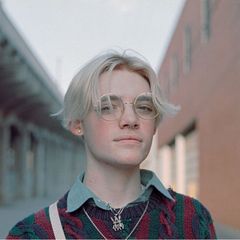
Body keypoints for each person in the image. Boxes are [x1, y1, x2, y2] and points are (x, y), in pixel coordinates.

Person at [7, 50, 216, 239]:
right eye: (108, 107)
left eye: (143, 107)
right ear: (77, 124)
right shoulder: (34, 234)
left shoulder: (193, 220)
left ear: (154, 125)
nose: (130, 119)